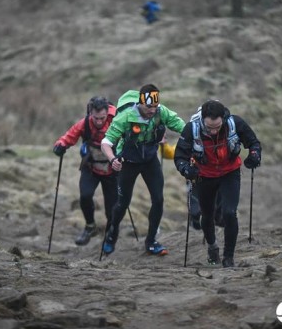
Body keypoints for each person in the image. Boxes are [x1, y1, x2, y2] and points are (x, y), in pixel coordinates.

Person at [174, 100, 262, 267]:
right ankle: (212, 247)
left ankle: (228, 258)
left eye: (217, 127)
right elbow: (180, 156)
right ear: (202, 120)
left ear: (223, 118)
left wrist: (255, 155)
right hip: (204, 176)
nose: (213, 131)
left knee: (229, 213)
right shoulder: (191, 129)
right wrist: (186, 169)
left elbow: (254, 143)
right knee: (207, 215)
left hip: (230, 173)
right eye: (209, 128)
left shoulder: (235, 123)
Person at [101, 84, 186, 256]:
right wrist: (112, 160)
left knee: (159, 200)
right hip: (128, 162)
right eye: (148, 107)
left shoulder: (161, 112)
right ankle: (112, 233)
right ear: (140, 103)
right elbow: (106, 143)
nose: (152, 110)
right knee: (122, 203)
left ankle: (151, 241)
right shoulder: (125, 116)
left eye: (155, 106)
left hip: (149, 160)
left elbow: (183, 127)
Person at [53, 96, 118, 246]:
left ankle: (110, 233)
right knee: (85, 196)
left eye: (102, 118)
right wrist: (60, 145)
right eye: (96, 118)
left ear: (107, 113)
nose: (99, 122)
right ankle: (90, 227)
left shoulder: (116, 122)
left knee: (111, 209)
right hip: (91, 168)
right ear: (90, 113)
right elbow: (68, 137)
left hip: (112, 172)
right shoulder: (84, 124)